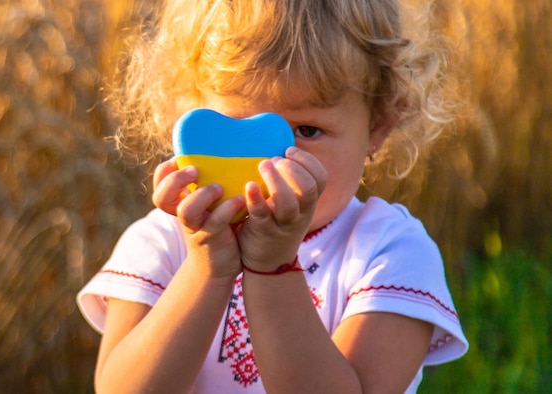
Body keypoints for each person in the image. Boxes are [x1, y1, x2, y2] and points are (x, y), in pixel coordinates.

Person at [77, 0, 468, 392]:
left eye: (307, 130)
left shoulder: (390, 253)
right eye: (235, 125)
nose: (269, 163)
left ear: (379, 125)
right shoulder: (162, 243)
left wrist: (273, 267)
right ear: (190, 114)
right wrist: (205, 268)